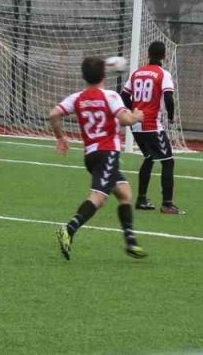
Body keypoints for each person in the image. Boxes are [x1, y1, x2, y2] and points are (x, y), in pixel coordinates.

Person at [49, 56, 147, 260]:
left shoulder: (77, 97)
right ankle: (69, 229)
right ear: (104, 75)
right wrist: (137, 116)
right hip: (107, 153)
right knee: (98, 198)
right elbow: (125, 119)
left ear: (84, 76)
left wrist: (60, 137)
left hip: (91, 155)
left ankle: (130, 241)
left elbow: (54, 114)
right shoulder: (110, 96)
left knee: (125, 193)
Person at [123, 41, 182, 214]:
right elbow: (169, 97)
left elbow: (124, 95)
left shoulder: (137, 73)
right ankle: (167, 204)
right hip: (152, 126)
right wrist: (171, 117)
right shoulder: (163, 74)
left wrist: (132, 111)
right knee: (168, 161)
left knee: (149, 158)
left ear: (148, 54)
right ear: (164, 56)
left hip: (136, 125)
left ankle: (141, 199)